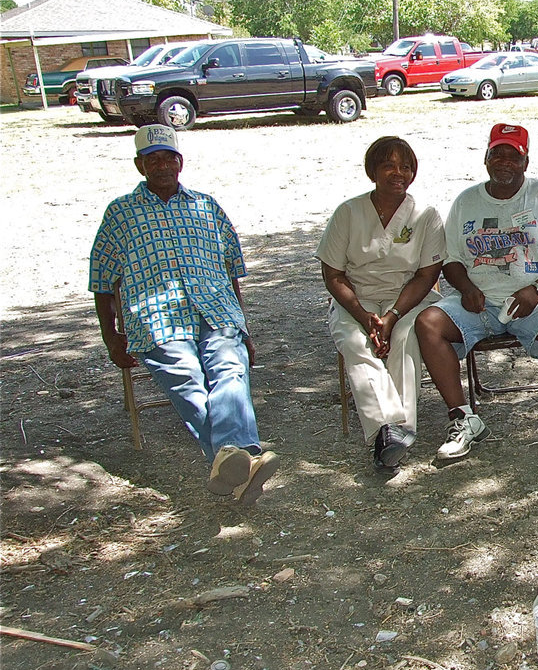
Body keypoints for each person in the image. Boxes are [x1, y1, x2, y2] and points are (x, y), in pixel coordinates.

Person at [89, 125, 280, 506]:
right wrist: (111, 336)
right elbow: (102, 279)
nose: (161, 166)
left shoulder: (207, 206)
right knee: (189, 380)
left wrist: (244, 328)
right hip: (156, 318)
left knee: (230, 368)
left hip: (216, 311)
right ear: (139, 165)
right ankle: (242, 458)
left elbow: (230, 273)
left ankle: (231, 462)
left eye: (168, 158)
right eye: (152, 159)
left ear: (180, 162)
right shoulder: (120, 214)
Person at [415, 122, 538, 463]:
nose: (505, 162)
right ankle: (463, 420)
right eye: (498, 154)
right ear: (486, 158)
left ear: (526, 162)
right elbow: (449, 259)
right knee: (428, 322)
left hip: (537, 300)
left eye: (514, 156)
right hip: (479, 302)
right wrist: (466, 288)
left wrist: (537, 289)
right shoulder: (466, 202)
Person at [317, 137, 445, 471]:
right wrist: (363, 315)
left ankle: (391, 434)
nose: (398, 173)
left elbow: (427, 275)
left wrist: (392, 316)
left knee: (405, 338)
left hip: (408, 298)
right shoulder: (348, 213)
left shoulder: (425, 215)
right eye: (388, 165)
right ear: (373, 170)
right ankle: (390, 431)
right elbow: (332, 274)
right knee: (355, 343)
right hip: (355, 299)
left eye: (405, 166)